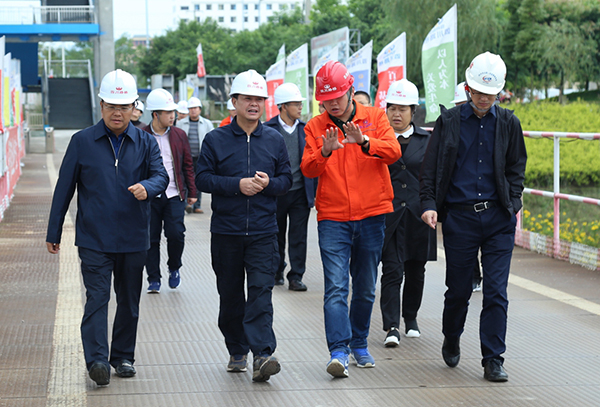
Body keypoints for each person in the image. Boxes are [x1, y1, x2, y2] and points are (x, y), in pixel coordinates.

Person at [46, 69, 168, 386]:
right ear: (101, 105)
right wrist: (53, 231)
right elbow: (64, 189)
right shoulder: (82, 142)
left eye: (124, 106)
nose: (118, 112)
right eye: (112, 105)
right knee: (97, 299)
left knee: (129, 301)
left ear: (133, 108)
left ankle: (123, 357)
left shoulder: (145, 142)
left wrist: (148, 187)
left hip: (134, 237)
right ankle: (97, 360)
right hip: (94, 238)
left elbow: (161, 176)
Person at [420, 52, 527, 382]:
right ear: (468, 88)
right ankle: (451, 336)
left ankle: (493, 358)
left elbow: (516, 168)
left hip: (498, 219)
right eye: (478, 92)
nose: (483, 99)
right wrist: (429, 204)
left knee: (496, 291)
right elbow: (430, 169)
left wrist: (513, 202)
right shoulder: (449, 121)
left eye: (490, 94)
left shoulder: (508, 123)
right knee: (459, 291)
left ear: (500, 94)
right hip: (460, 220)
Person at [301, 61, 401, 378]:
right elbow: (308, 169)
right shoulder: (315, 127)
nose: (332, 102)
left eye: (337, 96)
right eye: (326, 98)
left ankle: (359, 343)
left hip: (372, 214)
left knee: (366, 287)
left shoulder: (374, 117)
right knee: (335, 287)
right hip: (333, 217)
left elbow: (394, 152)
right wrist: (326, 152)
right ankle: (339, 351)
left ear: (349, 90)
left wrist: (365, 142)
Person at [196, 69, 292, 382]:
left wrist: (269, 185)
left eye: (259, 99)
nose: (254, 104)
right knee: (231, 297)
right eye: (247, 98)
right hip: (226, 232)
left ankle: (263, 353)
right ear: (234, 102)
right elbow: (202, 179)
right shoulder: (216, 139)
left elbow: (287, 180)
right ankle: (237, 348)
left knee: (261, 293)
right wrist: (238, 185)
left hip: (264, 232)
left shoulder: (274, 140)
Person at [380, 79, 437, 347]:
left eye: (403, 109)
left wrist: (433, 207)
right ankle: (391, 326)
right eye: (392, 108)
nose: (397, 114)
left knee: (416, 268)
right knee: (392, 270)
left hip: (418, 214)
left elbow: (433, 177)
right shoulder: (377, 140)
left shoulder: (427, 140)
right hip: (388, 213)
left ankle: (410, 318)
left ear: (413, 111)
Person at [143, 89, 197, 293]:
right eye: (168, 112)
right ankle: (153, 279)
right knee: (151, 238)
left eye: (173, 112)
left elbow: (188, 165)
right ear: (155, 114)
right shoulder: (142, 135)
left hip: (175, 194)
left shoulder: (179, 135)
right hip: (150, 196)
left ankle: (174, 267)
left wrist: (192, 191)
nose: (173, 116)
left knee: (176, 234)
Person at [264, 83, 316, 292]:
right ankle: (277, 271)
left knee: (298, 235)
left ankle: (296, 276)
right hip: (276, 191)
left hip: (300, 192)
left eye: (300, 103)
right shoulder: (267, 130)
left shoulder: (306, 130)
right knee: (275, 234)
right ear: (283, 106)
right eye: (296, 104)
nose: (300, 107)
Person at [452, 81, 483, 292]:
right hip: (460, 205)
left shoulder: (499, 124)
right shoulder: (451, 126)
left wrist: (513, 200)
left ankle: (478, 278)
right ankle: (471, 278)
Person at [176, 96, 214, 214]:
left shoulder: (207, 124)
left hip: (201, 156)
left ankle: (197, 205)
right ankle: (187, 203)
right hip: (185, 157)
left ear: (200, 110)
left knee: (198, 180)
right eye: (191, 108)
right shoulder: (181, 123)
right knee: (186, 179)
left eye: (195, 108)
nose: (193, 110)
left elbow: (212, 140)